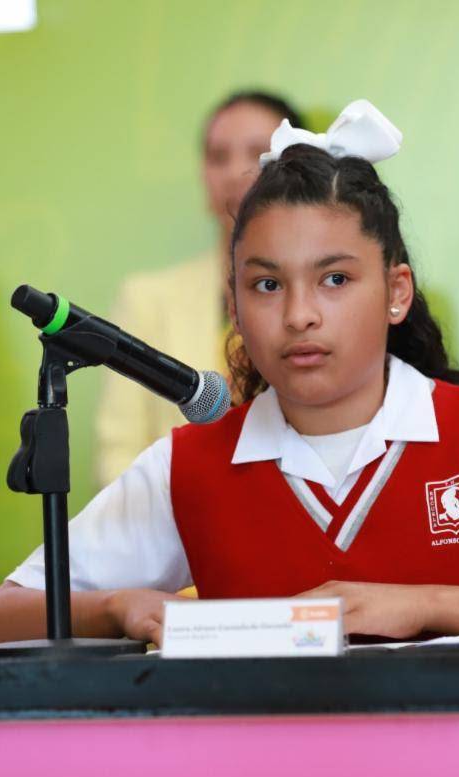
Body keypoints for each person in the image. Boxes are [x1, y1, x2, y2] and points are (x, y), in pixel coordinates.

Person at [0, 100, 459, 655]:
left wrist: (424, 605)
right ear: (234, 303)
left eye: (334, 279)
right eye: (266, 285)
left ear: (397, 292)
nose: (299, 315)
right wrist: (119, 606)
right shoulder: (190, 465)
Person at [95, 91, 303, 486]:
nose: (235, 172)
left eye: (257, 153)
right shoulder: (147, 299)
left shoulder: (332, 297)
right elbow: (116, 458)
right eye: (218, 157)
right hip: (175, 517)